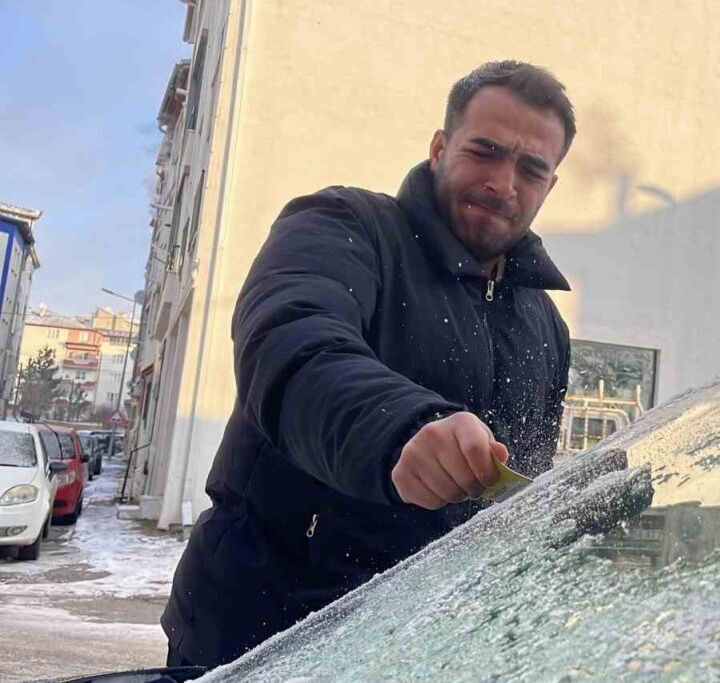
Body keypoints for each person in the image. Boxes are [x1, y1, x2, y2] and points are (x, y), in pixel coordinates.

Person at [162, 60, 576, 668]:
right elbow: (292, 345)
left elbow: (522, 493)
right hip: (262, 633)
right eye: (484, 151)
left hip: (429, 648)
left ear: (550, 185)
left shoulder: (546, 326)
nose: (502, 182)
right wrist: (401, 430)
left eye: (531, 168)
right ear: (440, 148)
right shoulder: (344, 225)